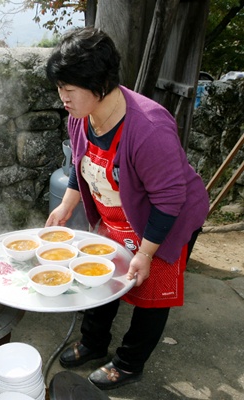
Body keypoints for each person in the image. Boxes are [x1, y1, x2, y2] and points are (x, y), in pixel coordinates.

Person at [45, 27, 209, 390]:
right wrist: (66, 206)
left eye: (69, 89)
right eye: (59, 88)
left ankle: (129, 363)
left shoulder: (149, 128)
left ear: (101, 84)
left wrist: (146, 253)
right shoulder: (79, 117)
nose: (63, 98)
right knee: (100, 275)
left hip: (166, 219)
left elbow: (170, 198)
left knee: (151, 293)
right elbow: (80, 164)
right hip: (118, 216)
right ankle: (93, 342)